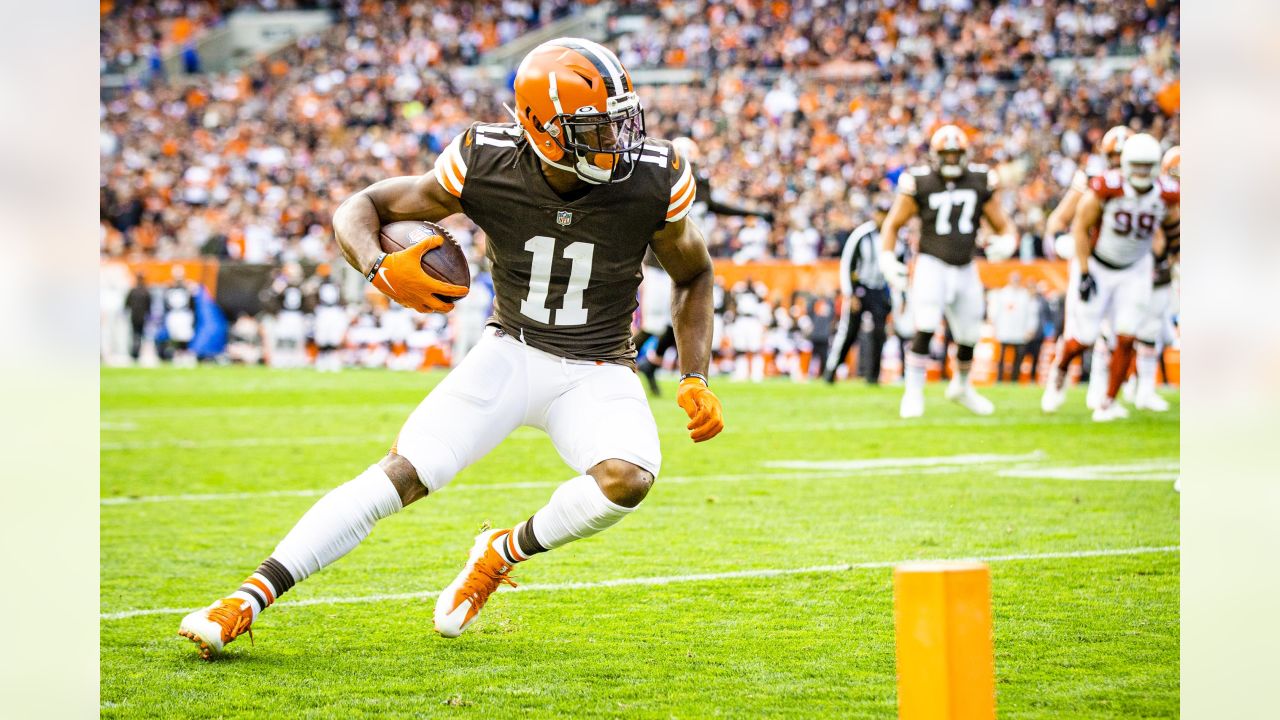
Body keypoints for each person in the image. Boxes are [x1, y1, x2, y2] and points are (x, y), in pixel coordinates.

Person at [178, 38, 724, 657]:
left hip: (598, 366)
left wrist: (693, 375)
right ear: (542, 131)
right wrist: (377, 265)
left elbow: (694, 272)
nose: (615, 143)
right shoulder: (485, 161)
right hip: (510, 352)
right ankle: (245, 600)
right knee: (402, 476)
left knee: (627, 480)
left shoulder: (654, 177)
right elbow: (362, 206)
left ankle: (502, 552)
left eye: (618, 123)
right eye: (593, 130)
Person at [879, 125, 1018, 418]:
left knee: (969, 333)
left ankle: (962, 386)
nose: (952, 160)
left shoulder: (980, 180)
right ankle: (913, 392)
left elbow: (1003, 223)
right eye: (947, 154)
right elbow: (892, 224)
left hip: (966, 266)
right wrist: (888, 258)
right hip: (932, 263)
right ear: (935, 155)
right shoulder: (920, 181)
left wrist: (1007, 242)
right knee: (926, 325)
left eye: (956, 154)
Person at [1041, 133, 1178, 421]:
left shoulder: (1166, 192)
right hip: (1099, 265)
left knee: (1127, 335)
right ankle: (1061, 367)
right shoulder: (1105, 187)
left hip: (1136, 268)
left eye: (1146, 166)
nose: (1140, 172)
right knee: (1084, 337)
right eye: (1135, 165)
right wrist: (1085, 271)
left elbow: (1170, 227)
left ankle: (1108, 401)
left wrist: (1166, 252)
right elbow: (1079, 226)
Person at [1130, 145, 1180, 411]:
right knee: (1140, 329)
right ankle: (1140, 388)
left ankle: (1137, 385)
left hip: (1164, 272)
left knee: (1156, 329)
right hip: (1149, 270)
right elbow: (1159, 245)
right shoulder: (1158, 197)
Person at [826, 199, 890, 384]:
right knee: (849, 331)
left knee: (879, 332)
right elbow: (847, 264)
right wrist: (850, 293)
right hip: (860, 287)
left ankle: (873, 376)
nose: (883, 218)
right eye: (880, 213)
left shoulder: (894, 235)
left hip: (879, 289)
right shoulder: (862, 234)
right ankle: (831, 371)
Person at [990, 272, 1032, 382]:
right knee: (1001, 356)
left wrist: (1029, 328)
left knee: (1018, 357)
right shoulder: (1003, 293)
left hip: (1019, 331)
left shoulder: (1024, 295)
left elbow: (1030, 313)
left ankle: (1014, 379)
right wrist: (995, 326)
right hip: (1005, 329)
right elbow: (995, 312)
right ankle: (999, 379)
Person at [125, 272, 150, 362]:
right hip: (141, 317)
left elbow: (127, 305)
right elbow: (149, 306)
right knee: (139, 335)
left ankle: (135, 353)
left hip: (135, 316)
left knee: (135, 335)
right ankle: (136, 352)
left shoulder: (134, 291)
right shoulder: (145, 291)